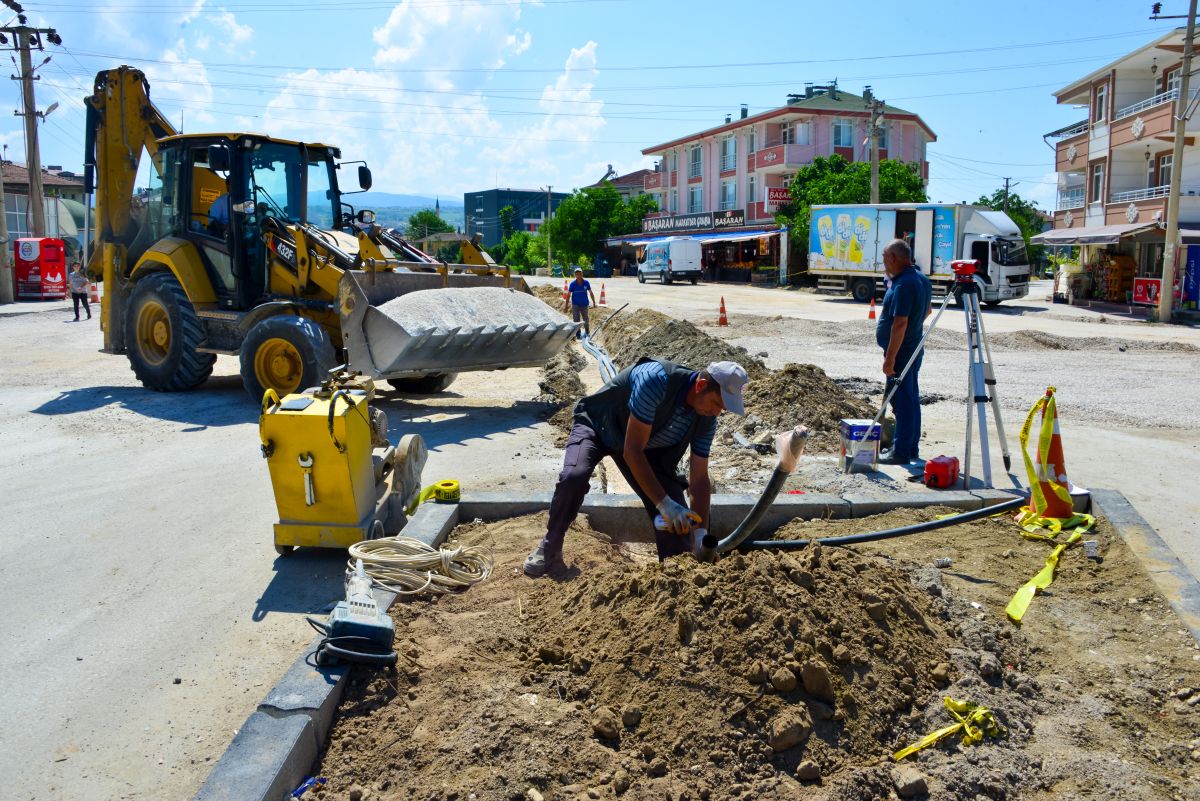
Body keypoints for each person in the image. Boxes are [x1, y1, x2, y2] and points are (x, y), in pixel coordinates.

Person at [524, 359, 749, 577]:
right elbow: (632, 451)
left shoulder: (705, 419)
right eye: (718, 403)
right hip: (600, 425)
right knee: (574, 476)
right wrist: (664, 504)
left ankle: (673, 579)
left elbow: (699, 479)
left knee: (678, 523)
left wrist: (700, 534)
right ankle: (549, 546)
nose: (718, 412)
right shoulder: (657, 381)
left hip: (645, 447)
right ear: (700, 386)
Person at [876, 239, 932, 465]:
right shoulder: (921, 279)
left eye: (884, 258)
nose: (883, 263)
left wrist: (890, 358)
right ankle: (911, 447)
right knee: (910, 398)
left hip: (902, 353)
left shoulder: (904, 284)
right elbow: (927, 310)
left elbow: (900, 323)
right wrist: (914, 329)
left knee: (903, 401)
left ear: (894, 258)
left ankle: (901, 451)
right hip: (912, 349)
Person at [563, 267, 597, 337]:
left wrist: (594, 303)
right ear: (575, 275)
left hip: (584, 305)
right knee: (576, 320)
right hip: (575, 305)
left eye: (580, 274)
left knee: (586, 319)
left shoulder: (586, 283)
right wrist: (566, 306)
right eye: (577, 274)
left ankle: (587, 332)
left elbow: (591, 293)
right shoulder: (572, 284)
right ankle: (578, 333)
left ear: (582, 274)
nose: (578, 275)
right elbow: (568, 295)